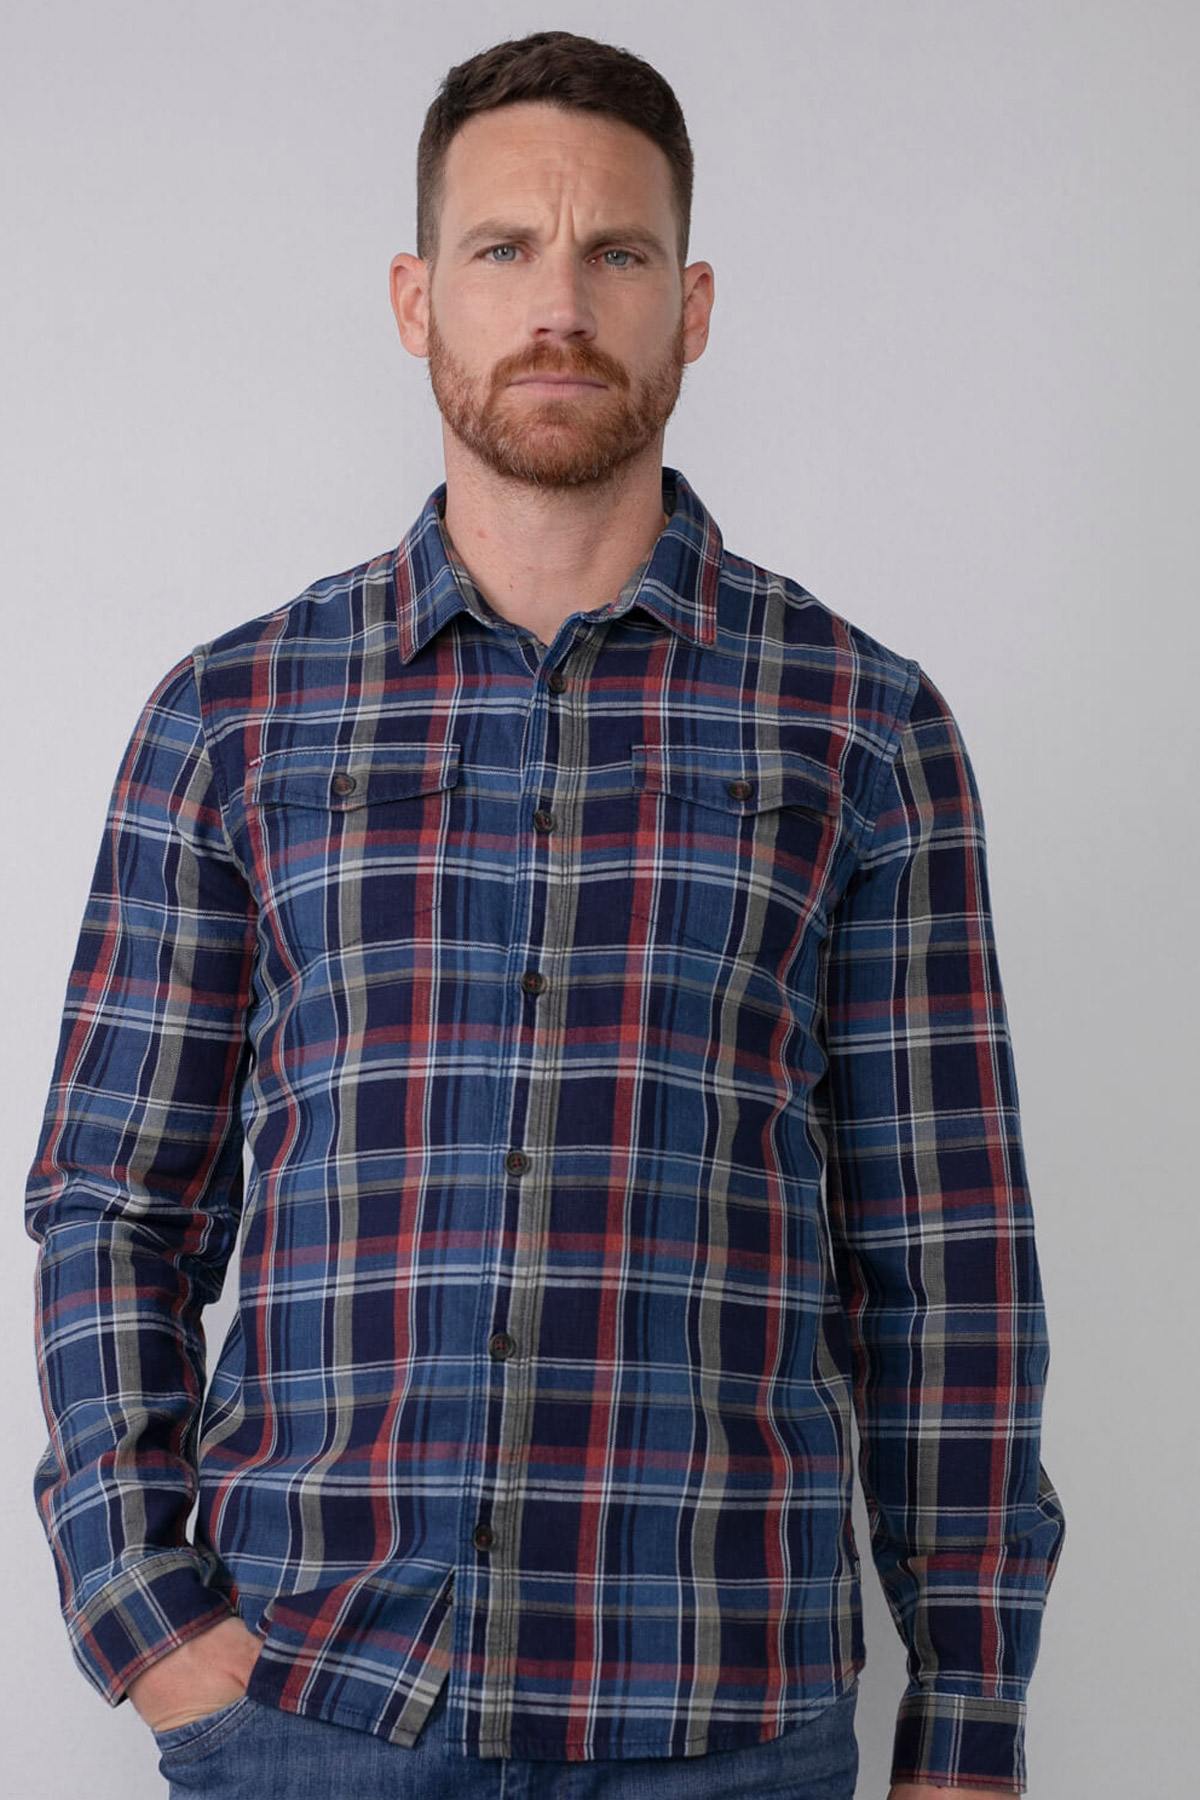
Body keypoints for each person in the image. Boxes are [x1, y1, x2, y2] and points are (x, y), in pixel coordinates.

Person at [24, 28, 1065, 1800]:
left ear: (693, 306)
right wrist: (150, 1617)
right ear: (417, 297)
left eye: (618, 253)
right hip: (315, 1713)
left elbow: (945, 1257)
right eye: (505, 249)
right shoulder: (233, 717)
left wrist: (967, 1718)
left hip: (727, 1725)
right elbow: (116, 1201)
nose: (560, 305)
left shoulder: (862, 724)